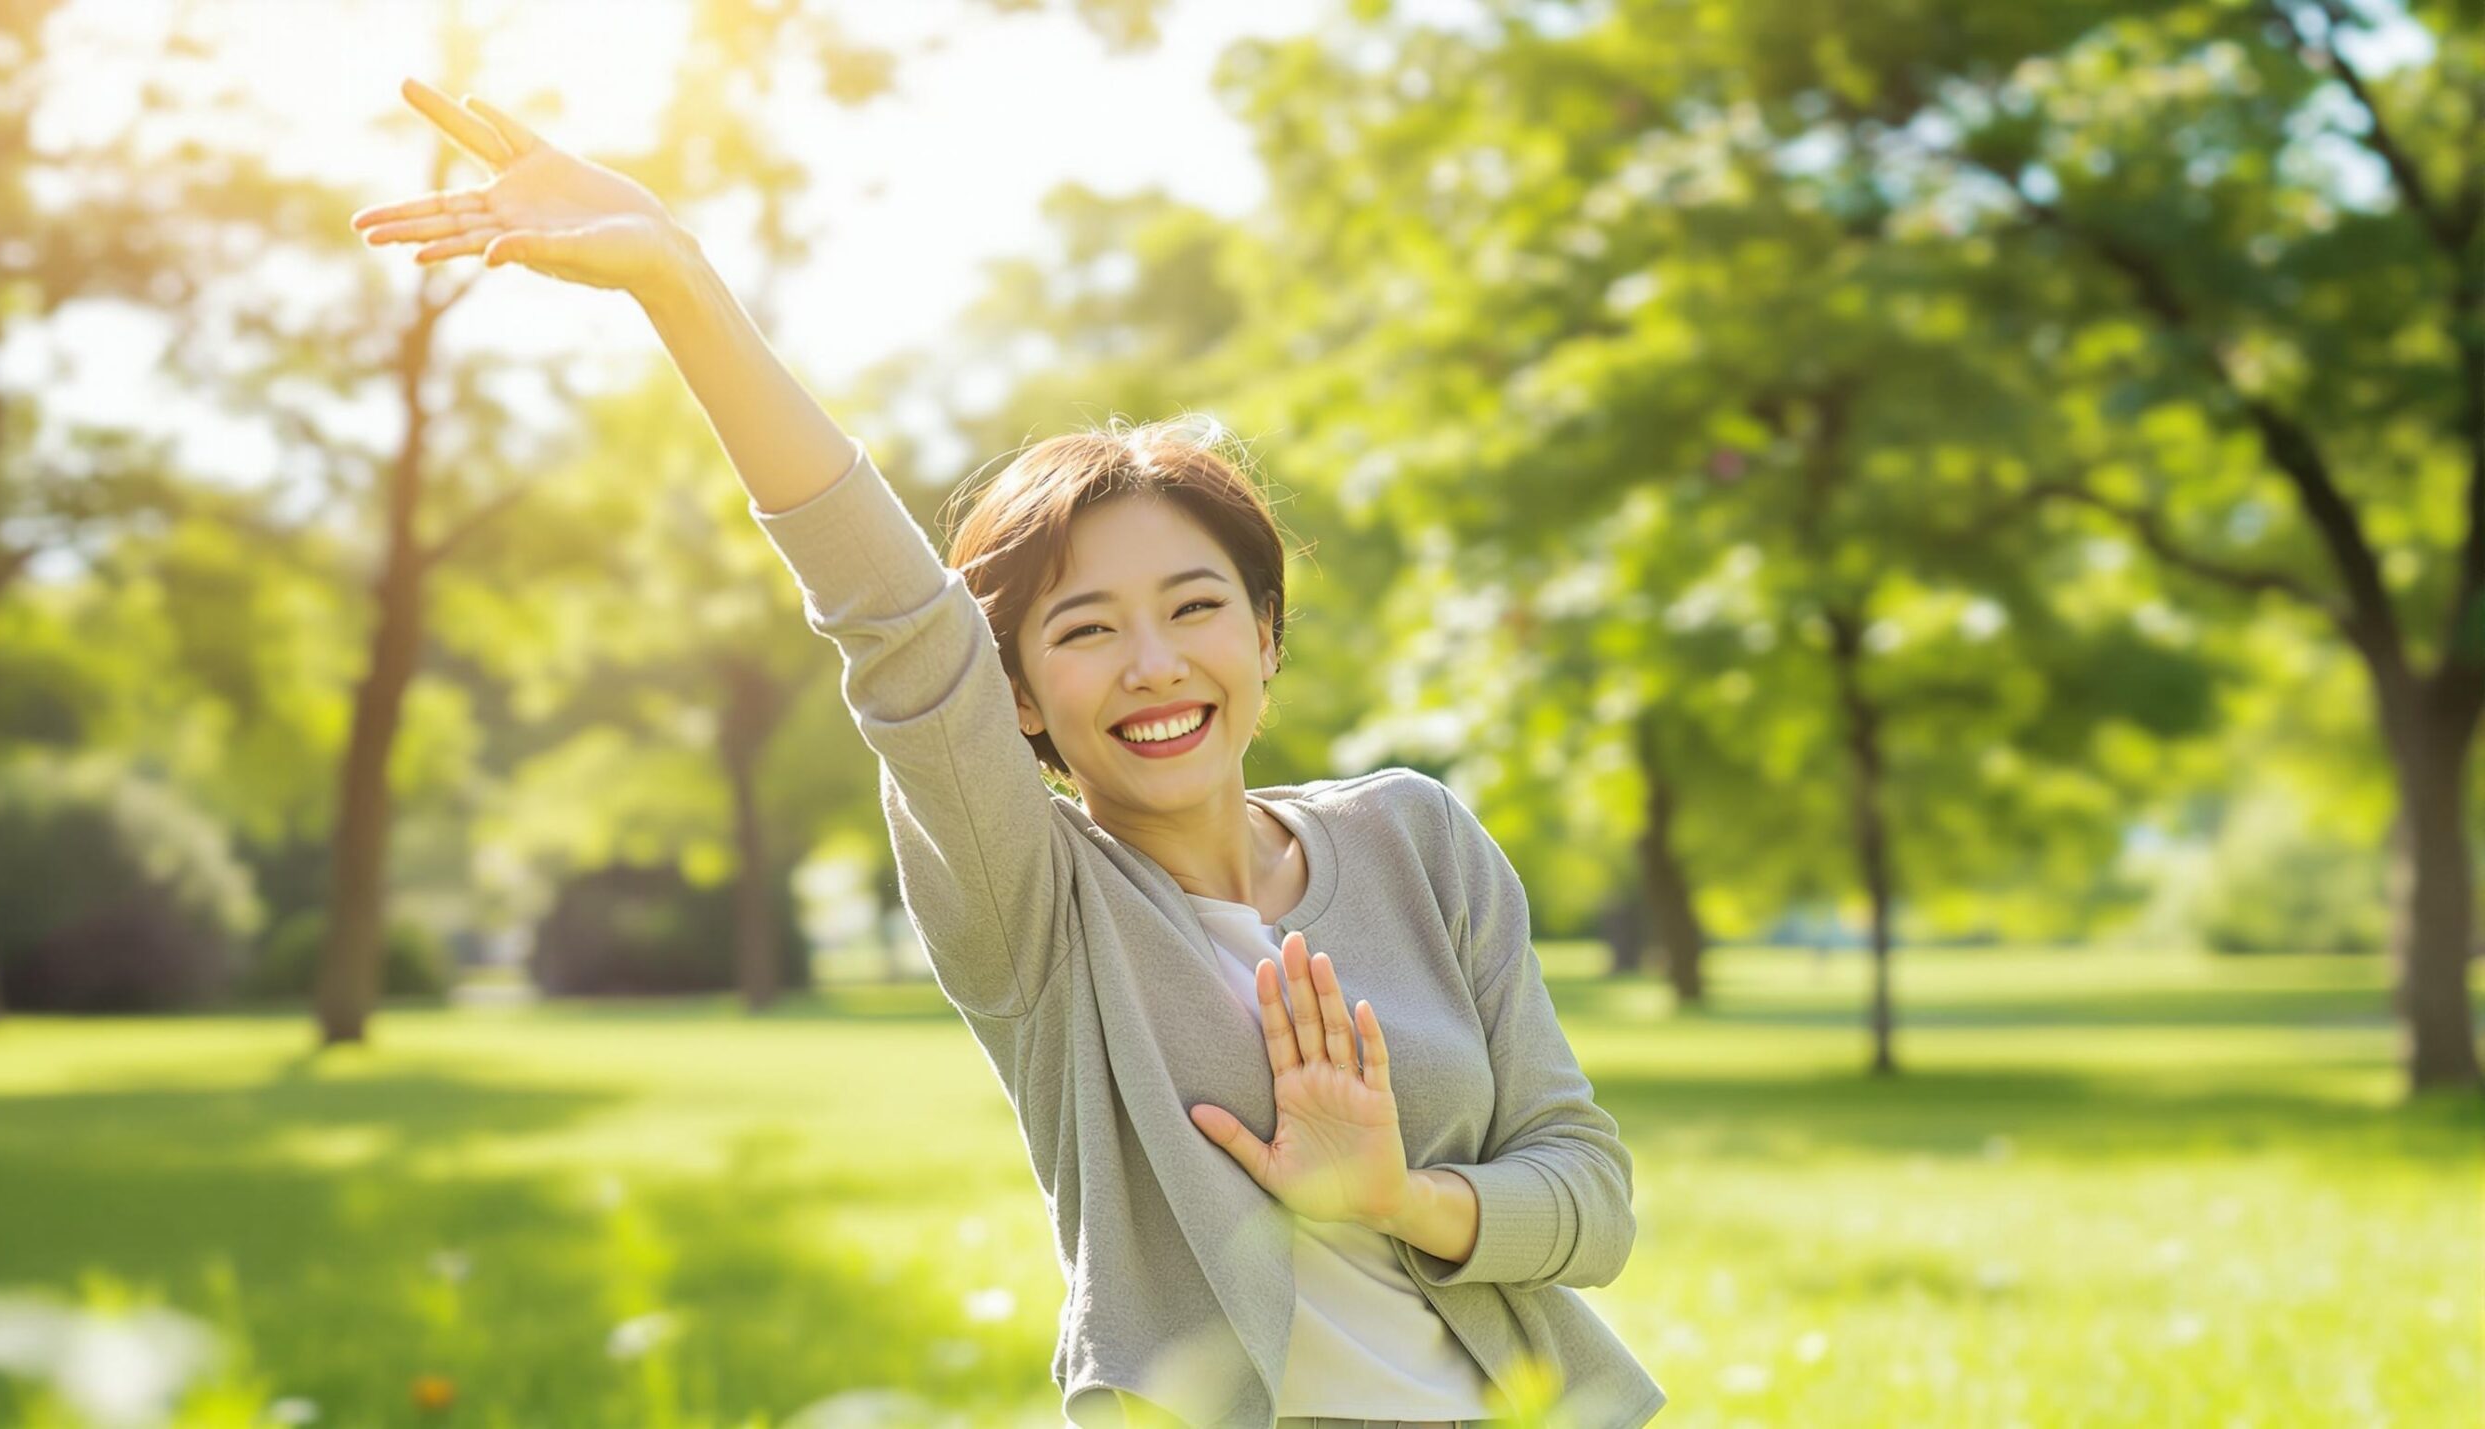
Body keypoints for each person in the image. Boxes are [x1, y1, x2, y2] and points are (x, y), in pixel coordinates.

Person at [351, 78, 1665, 1429]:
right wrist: (678, 279)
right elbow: (898, 623)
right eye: (1084, 629)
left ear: (1267, 639)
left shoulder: (1419, 838)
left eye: (1196, 608)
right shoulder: (1033, 915)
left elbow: (1592, 1197)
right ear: (1021, 698)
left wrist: (1396, 1195)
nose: (1152, 664)